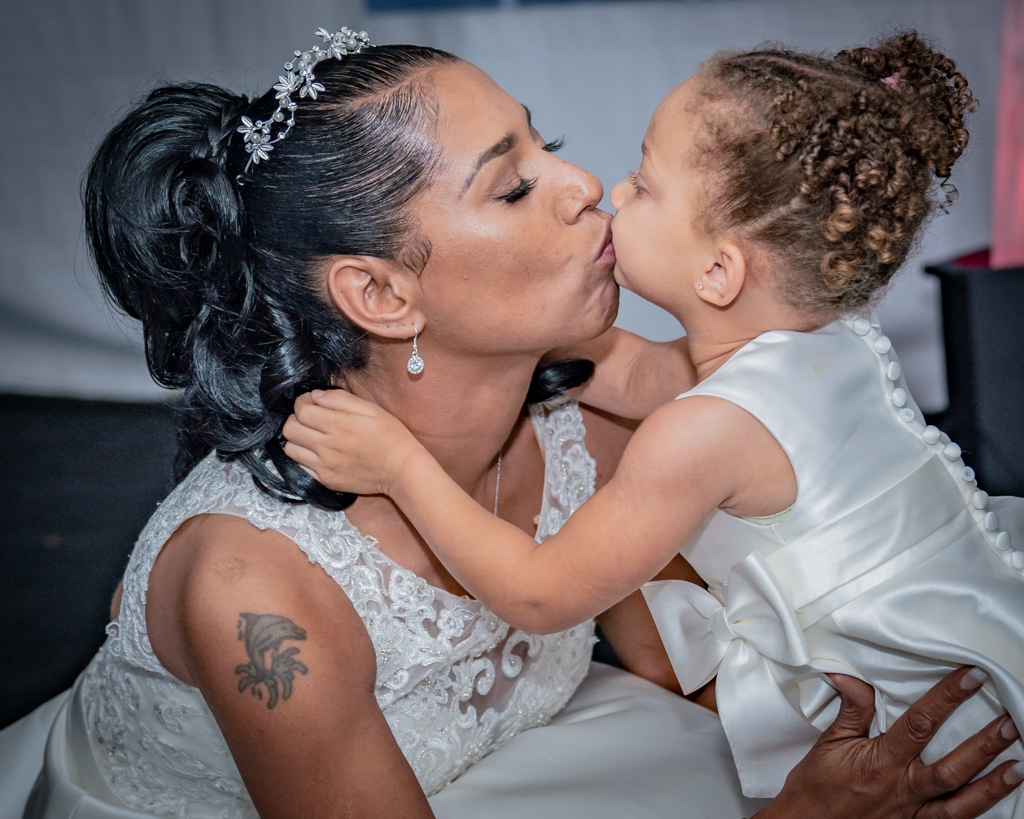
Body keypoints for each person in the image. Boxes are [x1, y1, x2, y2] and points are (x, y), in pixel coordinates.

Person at [0, 28, 1019, 819]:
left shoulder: (595, 425)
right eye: (516, 184)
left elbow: (684, 665)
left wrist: (872, 747)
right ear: (382, 295)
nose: (585, 190)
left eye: (555, 150)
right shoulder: (255, 589)